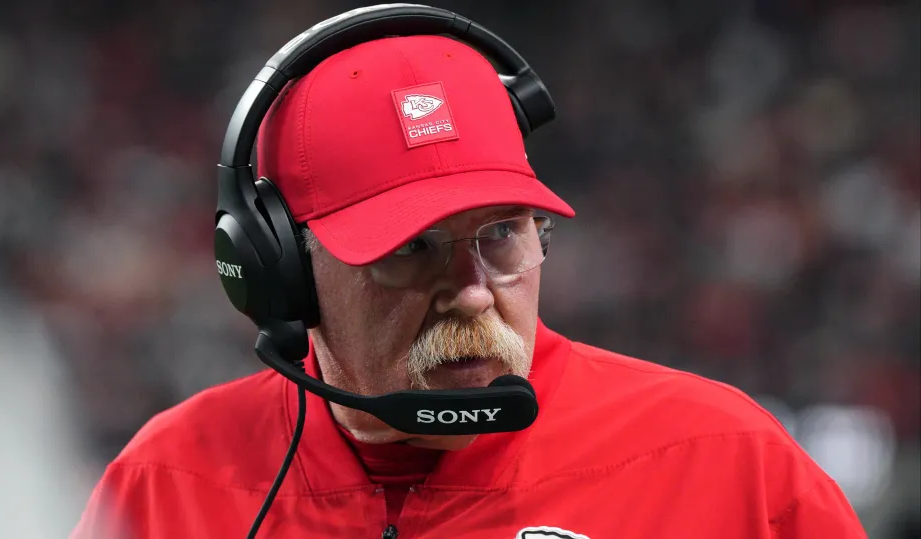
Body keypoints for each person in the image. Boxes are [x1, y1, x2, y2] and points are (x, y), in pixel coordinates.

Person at [70, 13, 868, 539]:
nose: (476, 290)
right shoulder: (164, 487)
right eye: (411, 247)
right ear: (281, 270)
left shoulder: (729, 466)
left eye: (502, 235)